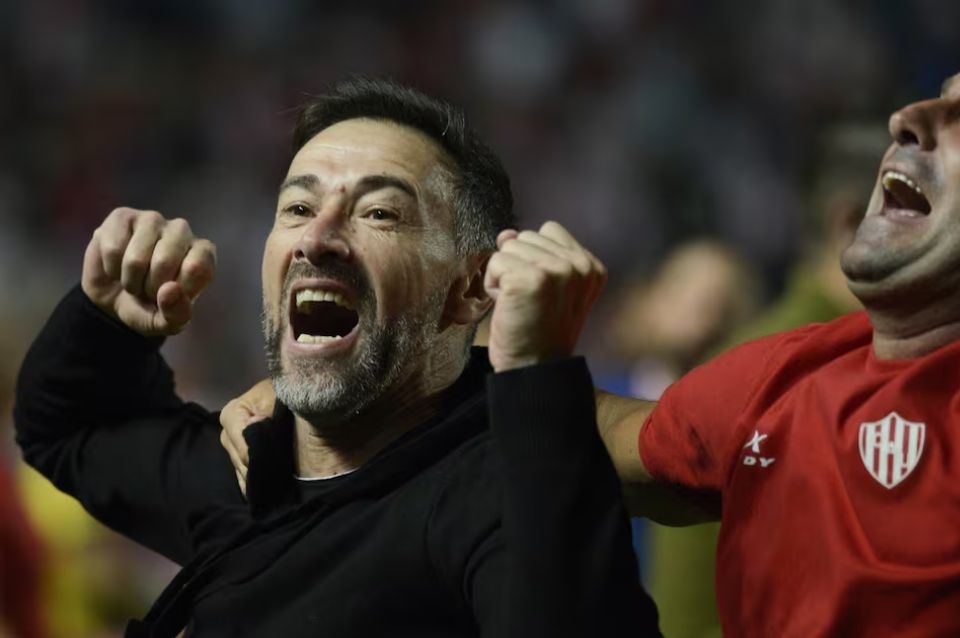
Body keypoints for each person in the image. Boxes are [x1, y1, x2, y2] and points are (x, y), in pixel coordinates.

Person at [224, 74, 960, 636]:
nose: (912, 116)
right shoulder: (781, 377)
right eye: (298, 207)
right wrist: (336, 387)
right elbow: (582, 430)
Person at [14, 78, 659, 637]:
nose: (317, 238)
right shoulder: (253, 469)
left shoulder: (484, 496)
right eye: (298, 207)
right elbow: (70, 428)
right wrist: (107, 320)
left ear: (469, 288)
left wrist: (536, 377)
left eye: (379, 212)